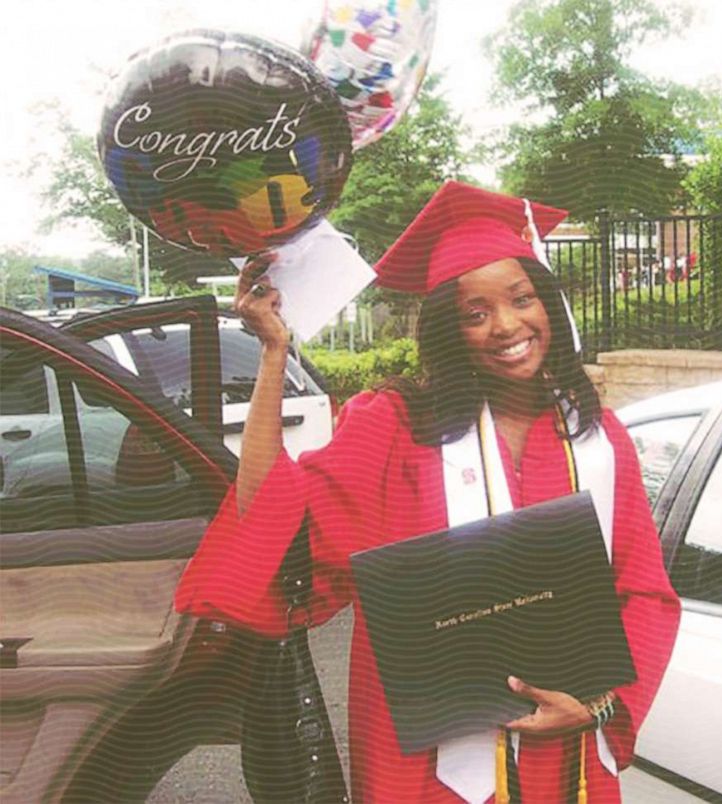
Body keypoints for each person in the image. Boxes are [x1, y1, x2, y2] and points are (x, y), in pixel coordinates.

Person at [176, 181, 681, 803]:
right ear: (448, 331)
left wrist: (600, 707)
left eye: (521, 299)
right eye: (474, 314)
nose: (506, 326)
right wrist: (274, 353)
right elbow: (275, 518)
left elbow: (645, 593)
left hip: (570, 751)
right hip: (428, 762)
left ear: (548, 304)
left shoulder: (600, 440)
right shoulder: (394, 426)